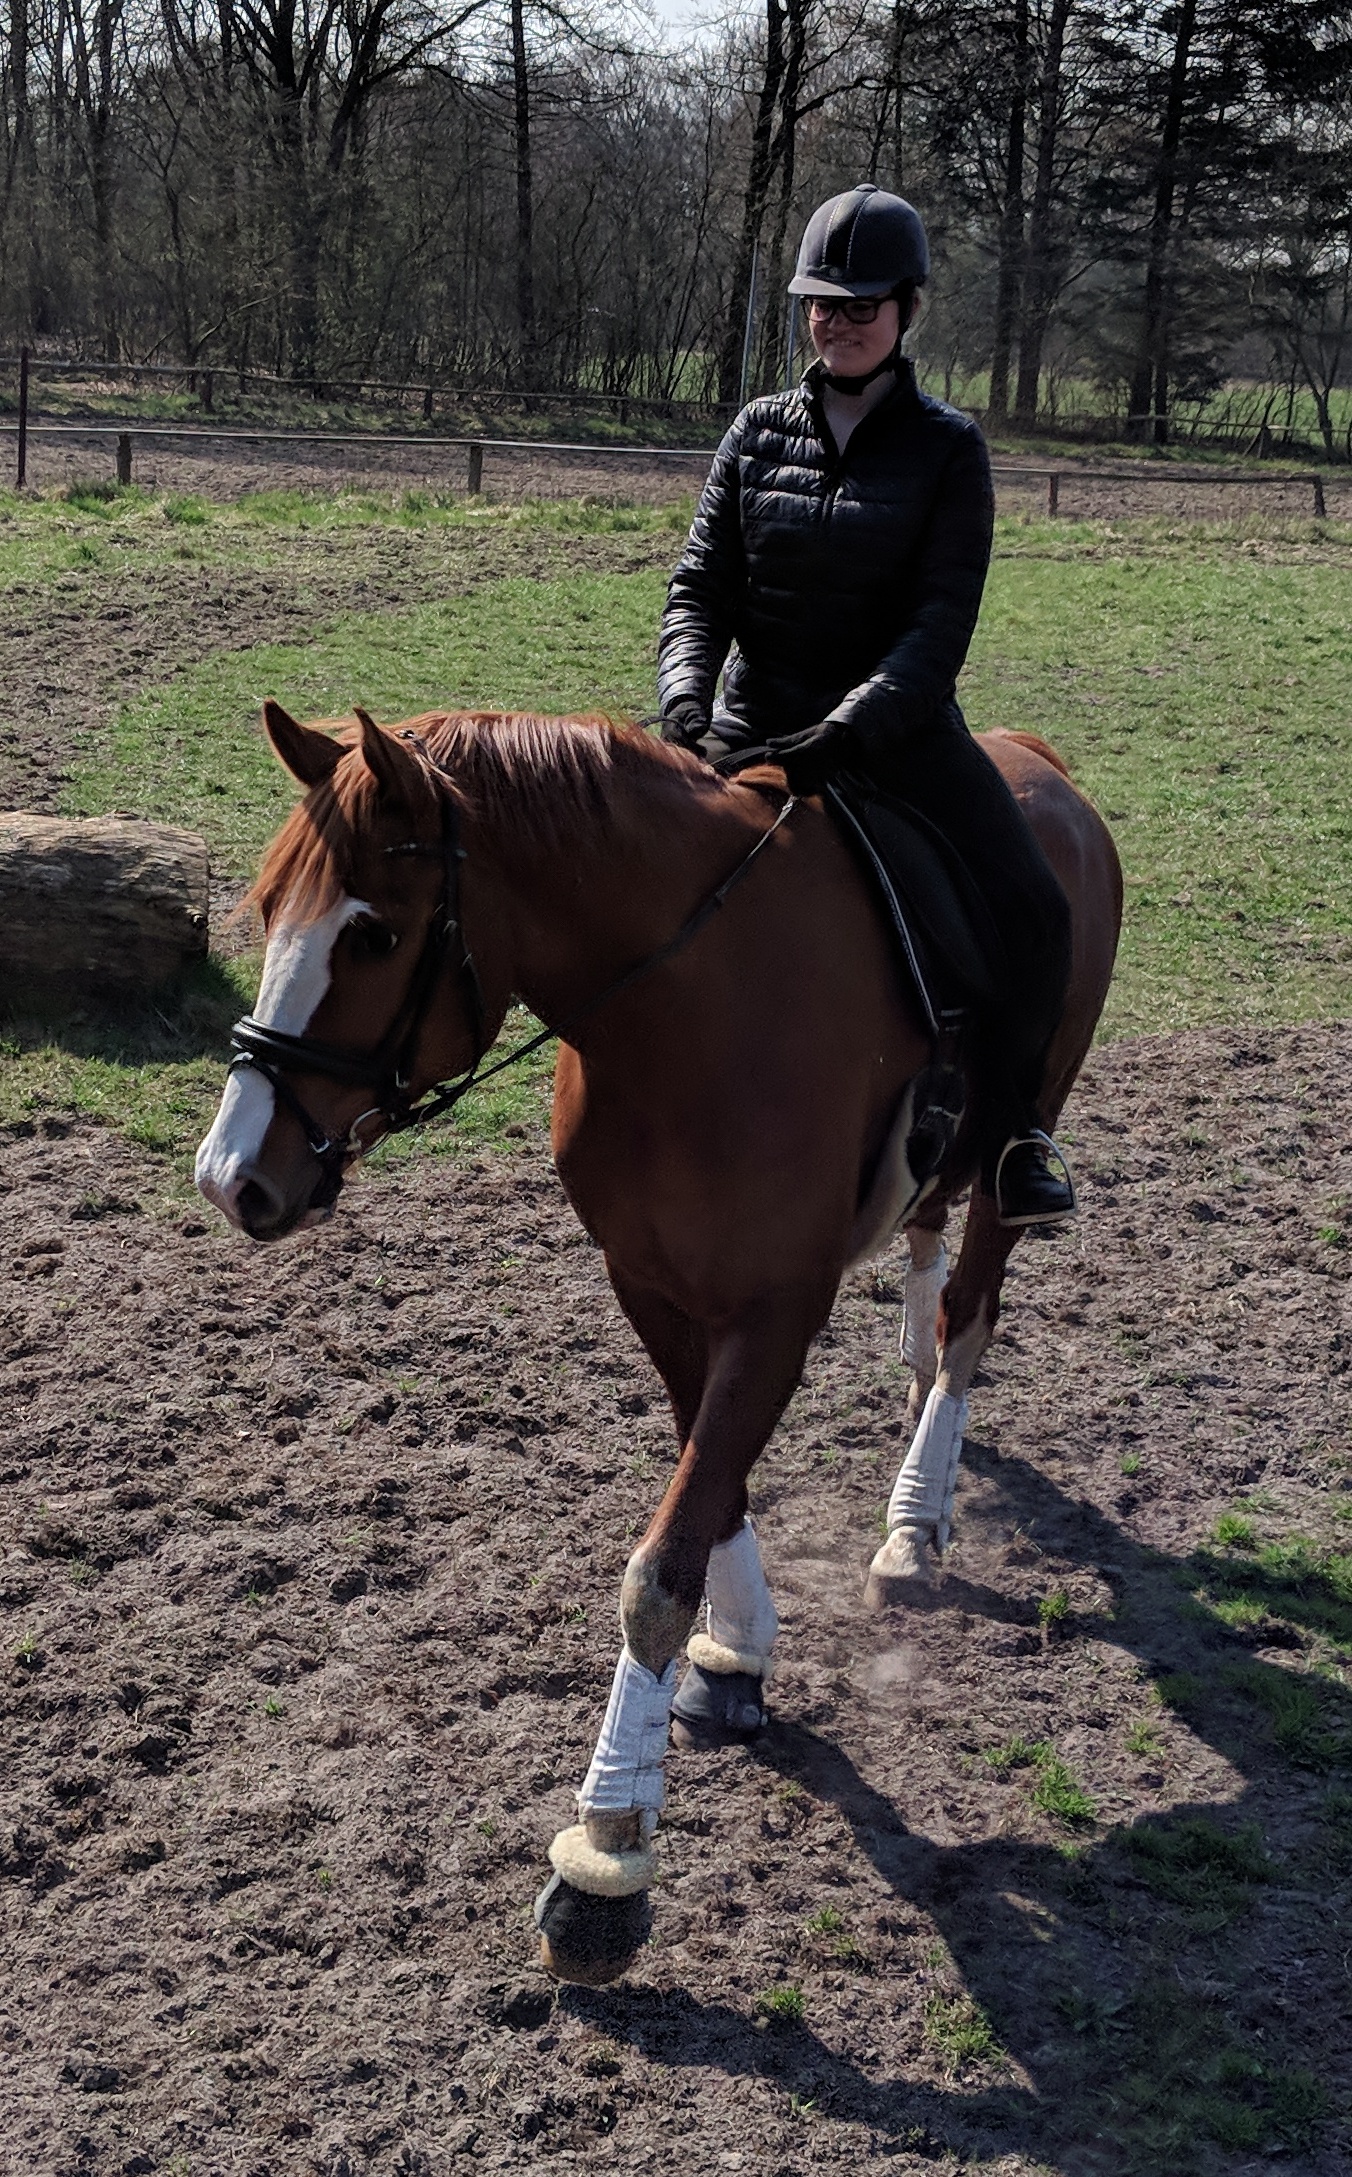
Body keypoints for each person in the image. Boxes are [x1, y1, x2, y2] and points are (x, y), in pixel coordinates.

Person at [656, 181, 1076, 1226]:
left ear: (906, 310)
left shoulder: (947, 451)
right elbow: (698, 587)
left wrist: (843, 731)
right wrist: (681, 704)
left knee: (1030, 904)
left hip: (894, 741)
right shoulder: (753, 433)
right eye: (819, 302)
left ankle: (1016, 1129)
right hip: (747, 729)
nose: (835, 321)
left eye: (859, 304)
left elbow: (935, 632)